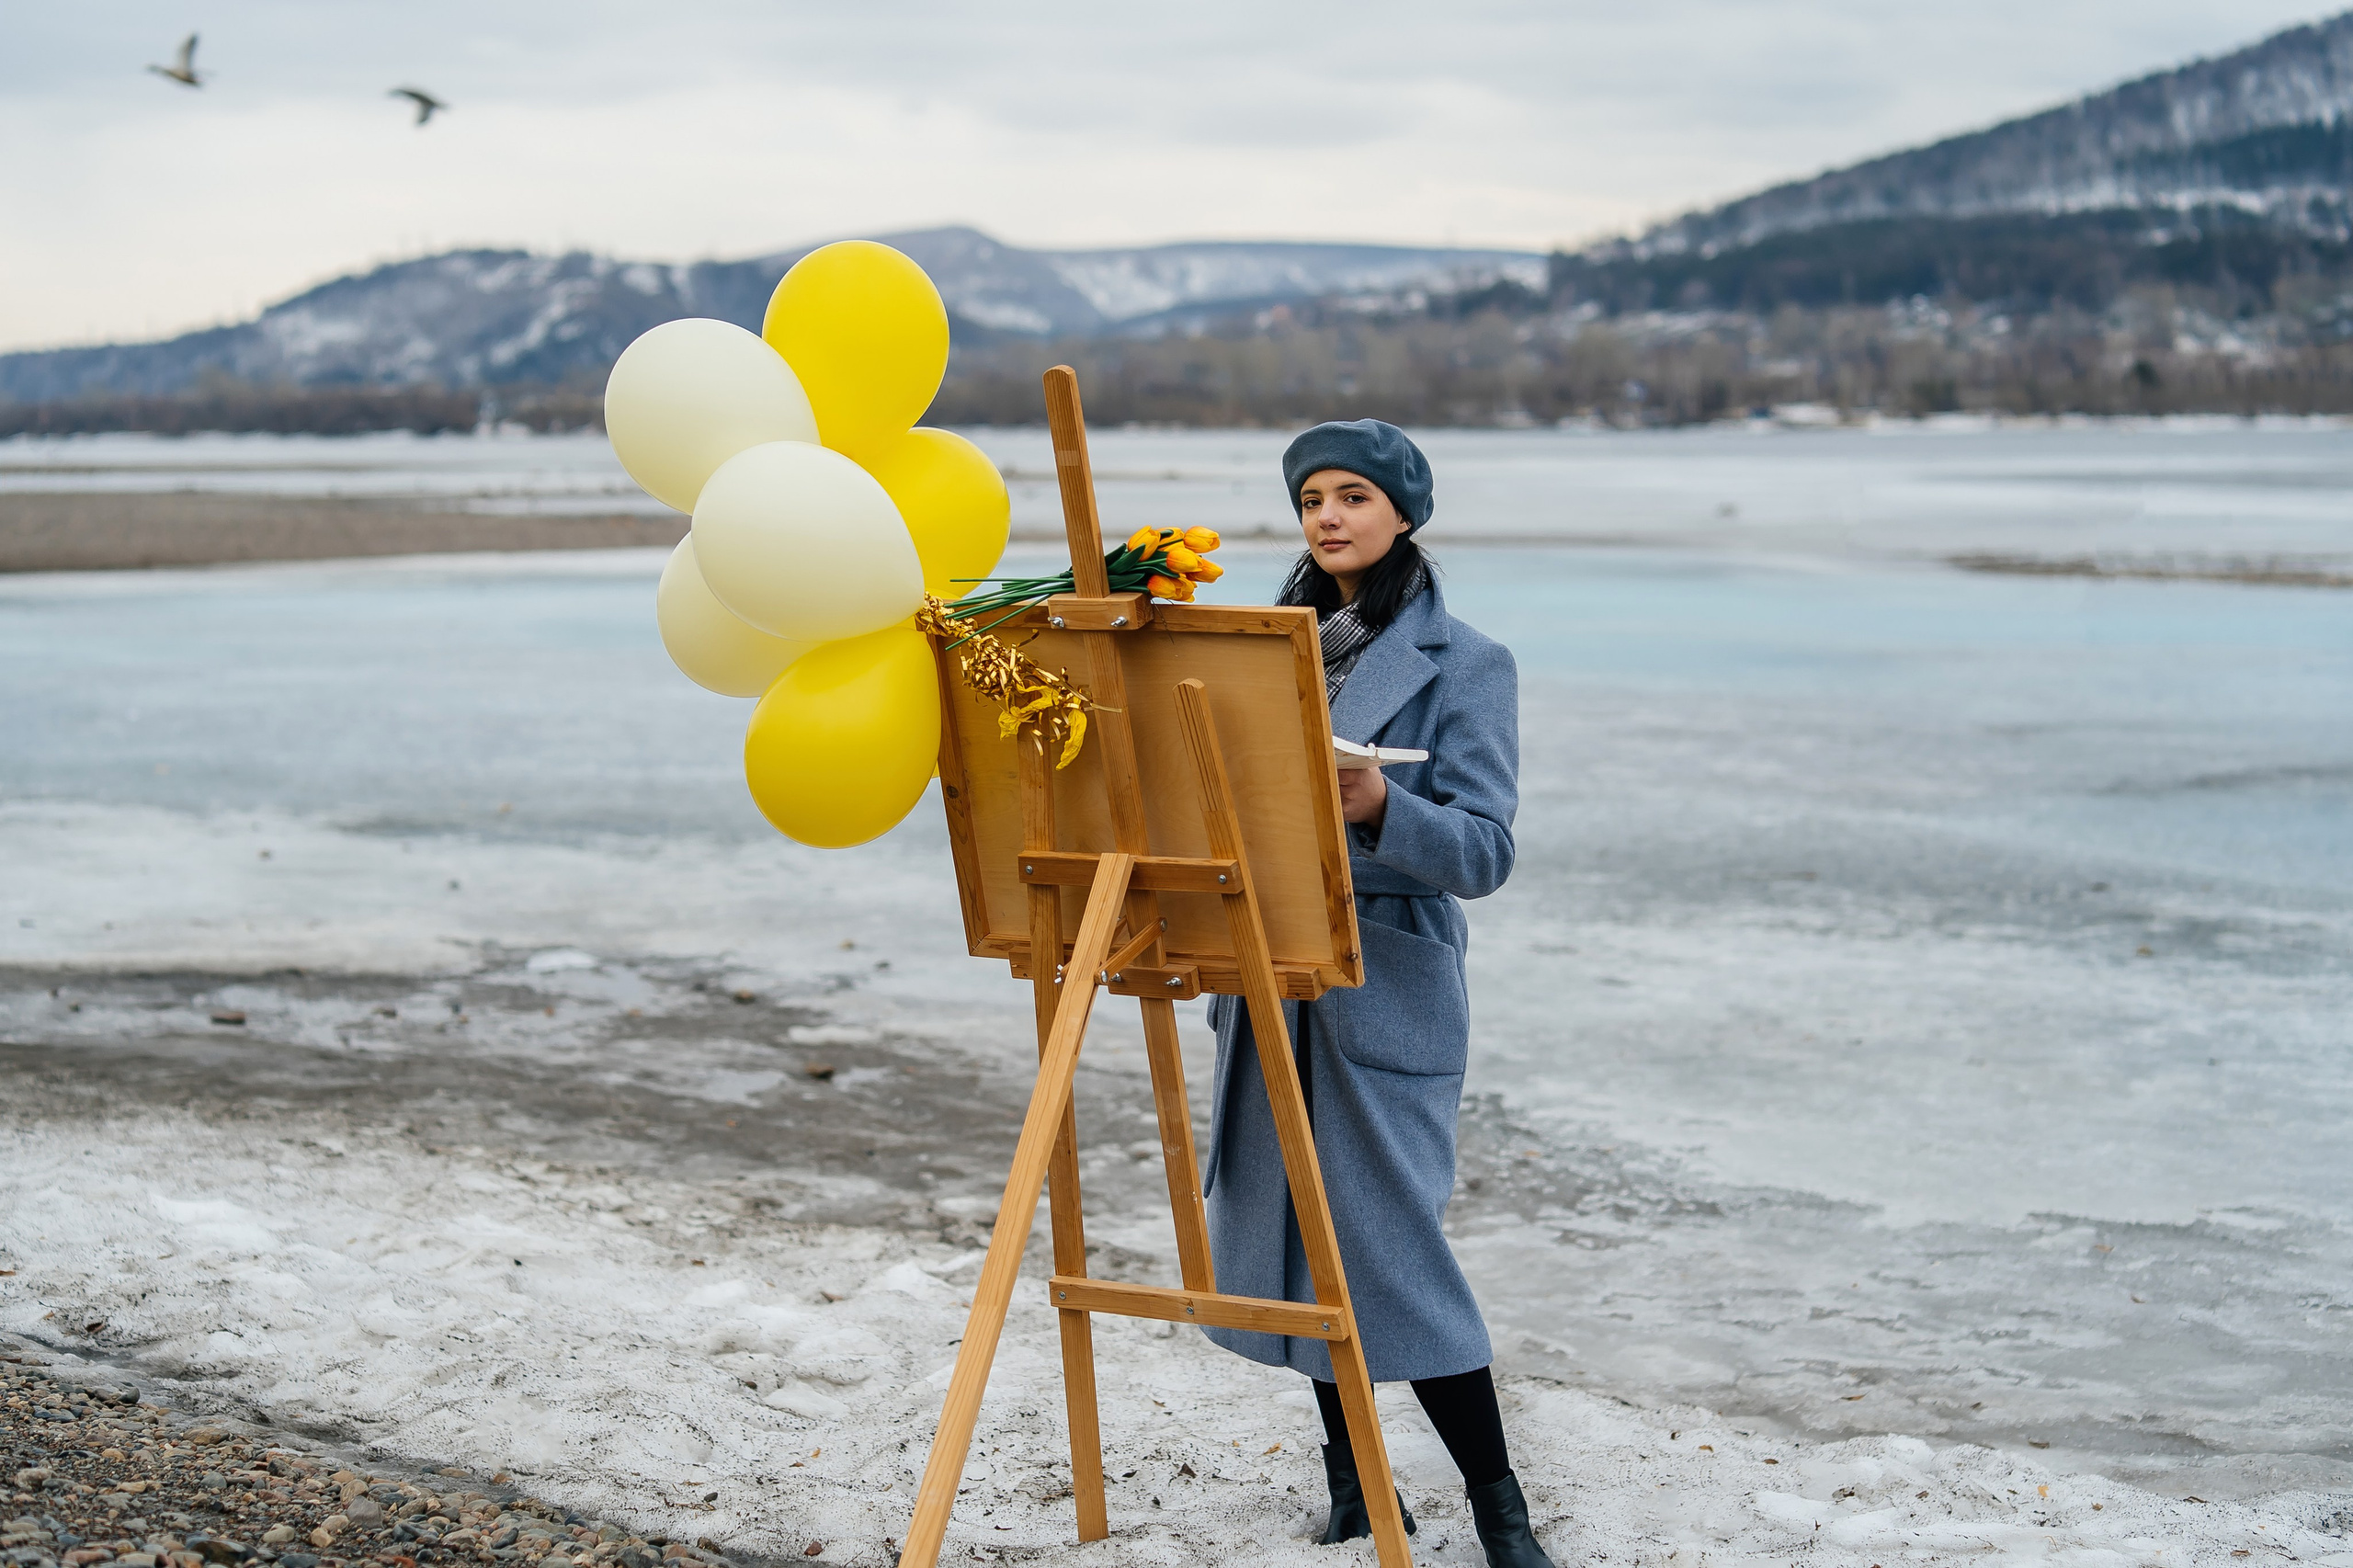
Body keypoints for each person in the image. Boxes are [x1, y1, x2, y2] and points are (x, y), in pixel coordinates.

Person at [1199, 420, 1552, 1567]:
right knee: (1301, 1242)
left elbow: (1486, 851)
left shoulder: (1469, 662)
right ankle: (1357, 1497)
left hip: (1383, 985)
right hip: (1266, 979)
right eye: (1310, 499)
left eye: (1353, 494)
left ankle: (1503, 1515)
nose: (1329, 516)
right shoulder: (1266, 646)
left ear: (1403, 511)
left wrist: (1375, 806)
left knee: (1392, 1250)